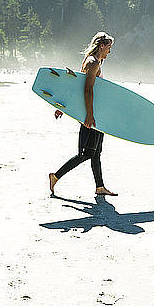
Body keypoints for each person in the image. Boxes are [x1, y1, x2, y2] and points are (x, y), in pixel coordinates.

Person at [48, 31, 117, 198]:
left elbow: (77, 86)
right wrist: (89, 115)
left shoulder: (94, 61)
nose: (110, 51)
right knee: (86, 153)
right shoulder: (93, 63)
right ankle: (55, 176)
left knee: (96, 152)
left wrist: (65, 107)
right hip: (90, 113)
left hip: (96, 113)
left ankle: (100, 187)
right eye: (109, 48)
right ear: (102, 46)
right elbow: (86, 89)